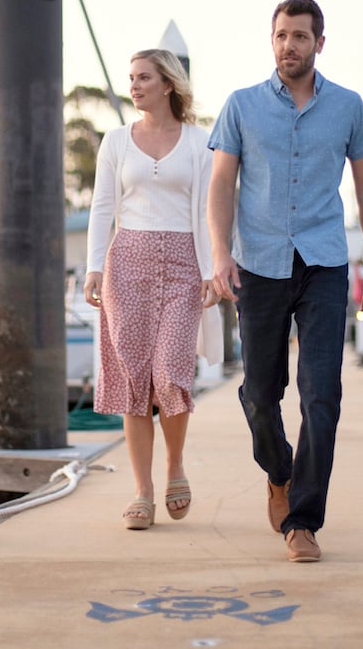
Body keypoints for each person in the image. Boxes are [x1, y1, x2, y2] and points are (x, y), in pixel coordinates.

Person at [207, 0, 363, 562]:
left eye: (300, 37)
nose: (290, 46)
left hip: (325, 263)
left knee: (322, 395)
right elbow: (220, 186)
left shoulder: (349, 107)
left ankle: (303, 520)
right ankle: (279, 471)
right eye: (282, 36)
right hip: (257, 263)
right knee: (260, 395)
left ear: (319, 44)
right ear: (272, 40)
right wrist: (219, 254)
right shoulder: (240, 106)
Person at [84, 48, 221, 530]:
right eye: (131, 78)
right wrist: (94, 267)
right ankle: (142, 491)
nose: (135, 85)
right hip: (127, 263)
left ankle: (175, 466)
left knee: (170, 373)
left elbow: (209, 211)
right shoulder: (116, 141)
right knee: (132, 381)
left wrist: (214, 270)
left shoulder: (201, 142)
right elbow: (103, 207)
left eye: (144, 77)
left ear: (168, 84)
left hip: (185, 263)